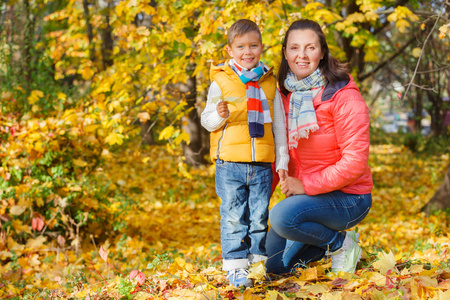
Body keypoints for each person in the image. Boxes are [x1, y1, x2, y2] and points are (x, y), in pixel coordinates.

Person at [265, 19, 373, 275]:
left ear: (322, 52)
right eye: (294, 48)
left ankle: (341, 244)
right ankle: (323, 244)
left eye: (310, 48)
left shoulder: (343, 96)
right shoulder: (284, 96)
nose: (301, 55)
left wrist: (305, 186)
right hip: (308, 199)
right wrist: (258, 205)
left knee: (281, 217)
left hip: (350, 197)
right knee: (275, 267)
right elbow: (277, 153)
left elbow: (355, 161)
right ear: (285, 53)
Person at [201, 19, 289, 287]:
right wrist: (218, 116)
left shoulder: (269, 82)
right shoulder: (222, 81)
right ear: (230, 51)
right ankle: (236, 267)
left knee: (259, 217)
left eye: (253, 45)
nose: (247, 51)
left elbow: (279, 124)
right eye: (240, 46)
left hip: (262, 163)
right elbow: (207, 121)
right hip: (229, 164)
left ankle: (256, 264)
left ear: (261, 47)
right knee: (233, 216)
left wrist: (282, 159)